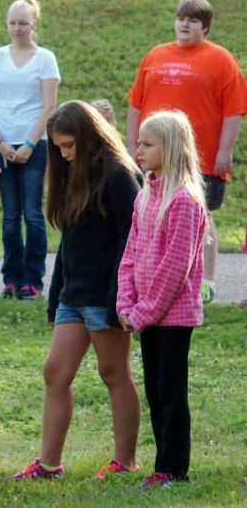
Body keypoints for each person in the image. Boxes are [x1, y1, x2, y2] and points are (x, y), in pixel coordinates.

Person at [7, 101, 142, 481]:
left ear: (90, 137)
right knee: (55, 372)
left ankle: (125, 462)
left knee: (114, 373)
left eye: (69, 145)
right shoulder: (71, 175)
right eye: (59, 147)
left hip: (105, 298)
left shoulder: (118, 176)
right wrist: (56, 298)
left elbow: (130, 240)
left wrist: (120, 299)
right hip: (73, 297)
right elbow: (69, 245)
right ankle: (48, 464)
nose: (64, 155)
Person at [126, 0, 247, 304]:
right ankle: (156, 277)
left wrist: (225, 149)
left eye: (192, 20)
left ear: (204, 27)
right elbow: (136, 104)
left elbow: (234, 109)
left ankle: (205, 280)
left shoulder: (221, 60)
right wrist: (132, 146)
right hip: (155, 155)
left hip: (201, 157)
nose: (185, 24)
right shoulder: (155, 55)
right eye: (181, 18)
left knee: (201, 215)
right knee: (152, 213)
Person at [118, 110, 207, 488]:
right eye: (138, 142)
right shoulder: (144, 197)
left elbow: (175, 270)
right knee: (154, 389)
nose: (138, 150)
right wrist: (125, 303)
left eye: (147, 144)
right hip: (144, 315)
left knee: (171, 392)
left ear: (170, 148)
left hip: (172, 317)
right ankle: (162, 467)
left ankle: (173, 469)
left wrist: (142, 313)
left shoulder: (184, 201)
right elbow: (130, 254)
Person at [0, 0, 60, 300]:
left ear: (34, 24)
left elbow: (49, 105)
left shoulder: (45, 59)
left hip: (35, 145)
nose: (17, 28)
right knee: (11, 216)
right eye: (12, 22)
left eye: (23, 23)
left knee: (32, 213)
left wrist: (29, 143)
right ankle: (11, 278)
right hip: (1, 143)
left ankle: (33, 280)